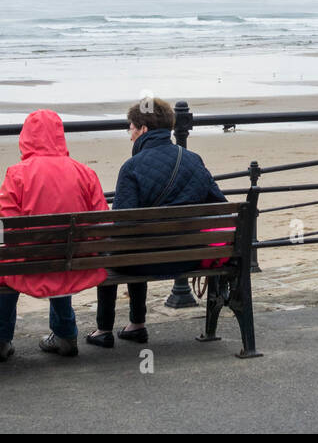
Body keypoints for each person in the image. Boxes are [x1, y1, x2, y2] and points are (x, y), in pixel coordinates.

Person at [87, 97, 226, 348]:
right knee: (135, 245)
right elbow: (221, 205)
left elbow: (122, 227)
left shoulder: (131, 168)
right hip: (189, 256)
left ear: (143, 130)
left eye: (130, 128)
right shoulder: (193, 159)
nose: (129, 134)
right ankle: (135, 326)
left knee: (112, 248)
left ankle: (104, 329)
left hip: (143, 263)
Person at [0, 110, 109, 361]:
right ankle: (66, 334)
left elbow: (6, 223)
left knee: (5, 263)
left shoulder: (17, 173)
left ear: (26, 137)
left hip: (29, 263)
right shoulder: (85, 172)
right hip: (74, 261)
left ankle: (1, 338)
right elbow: (101, 221)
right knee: (61, 259)